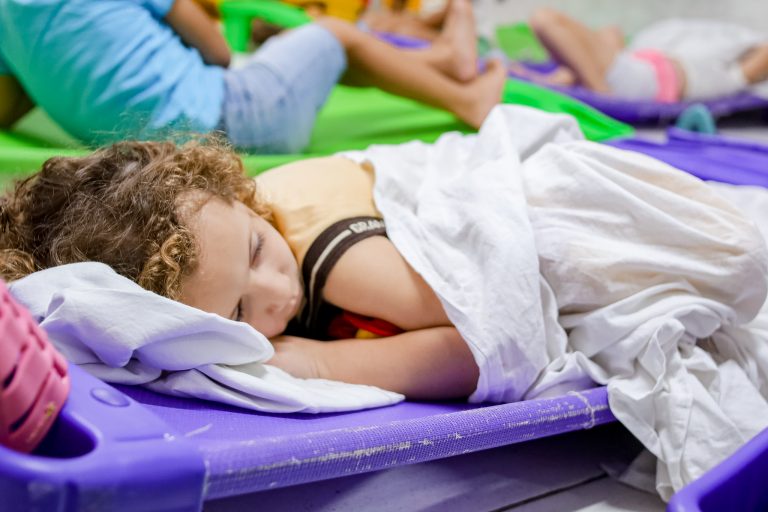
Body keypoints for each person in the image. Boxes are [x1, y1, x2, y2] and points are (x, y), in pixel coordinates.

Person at [1, 129, 765, 401]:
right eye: (236, 313)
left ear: (232, 191)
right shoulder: (224, 239)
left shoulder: (329, 253)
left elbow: (484, 338)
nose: (276, 294)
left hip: (533, 201)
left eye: (259, 250)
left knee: (732, 251)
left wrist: (321, 365)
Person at [0, 0, 505, 153]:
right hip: (234, 124)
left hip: (145, 150)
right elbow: (219, 53)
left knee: (315, 56)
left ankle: (438, 62)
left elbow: (8, 106)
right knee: (333, 34)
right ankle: (466, 98)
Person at [516, 8, 768, 102]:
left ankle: (597, 90)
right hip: (642, 72)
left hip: (641, 78)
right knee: (610, 31)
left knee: (544, 18)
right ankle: (579, 82)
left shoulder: (726, 80)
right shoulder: (721, 75)